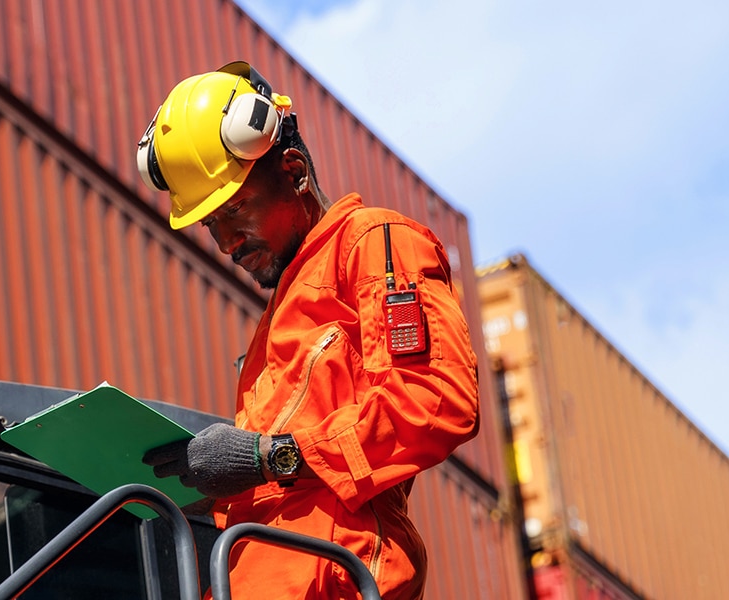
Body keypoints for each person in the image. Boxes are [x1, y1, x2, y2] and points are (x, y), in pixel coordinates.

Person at [137, 62, 480, 599]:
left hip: (330, 578)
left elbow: (435, 402)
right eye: (210, 225)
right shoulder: (275, 323)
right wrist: (208, 486)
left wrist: (265, 457)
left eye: (237, 210)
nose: (226, 242)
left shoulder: (375, 244)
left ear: (293, 169)